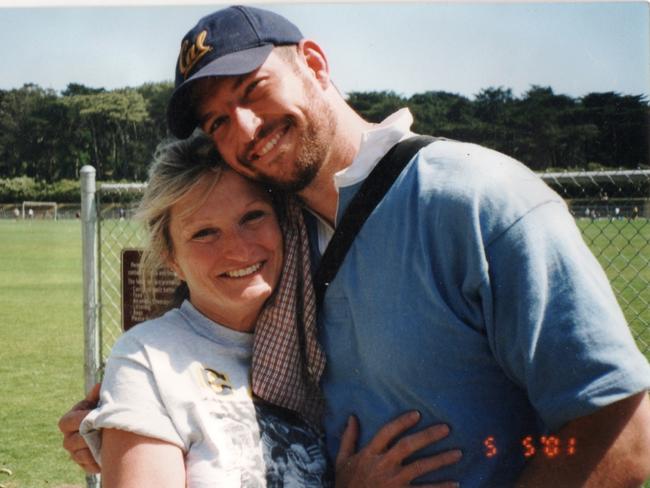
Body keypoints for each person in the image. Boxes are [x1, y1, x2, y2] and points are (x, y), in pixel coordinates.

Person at [61, 5, 650, 487]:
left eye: (253, 89)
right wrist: (132, 419)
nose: (242, 129)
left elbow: (623, 434)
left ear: (314, 63)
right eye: (216, 122)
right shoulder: (281, 230)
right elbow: (216, 361)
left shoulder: (476, 199)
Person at [70, 134, 460, 487]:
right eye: (204, 233)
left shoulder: (325, 338)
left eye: (252, 217)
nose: (238, 248)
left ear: (284, 224)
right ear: (171, 259)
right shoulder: (148, 359)